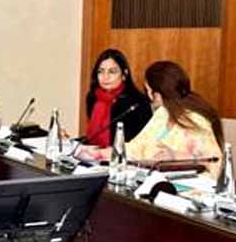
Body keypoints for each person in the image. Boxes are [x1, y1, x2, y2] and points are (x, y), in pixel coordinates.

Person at [80, 61, 224, 178]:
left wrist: (176, 157)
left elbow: (215, 164)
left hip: (190, 191)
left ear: (157, 94)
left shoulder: (196, 120)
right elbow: (137, 148)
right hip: (157, 183)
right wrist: (99, 153)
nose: (147, 95)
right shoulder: (162, 114)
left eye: (147, 90)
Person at [83, 48, 151, 147]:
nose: (105, 77)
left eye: (112, 72)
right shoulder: (93, 97)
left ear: (124, 74)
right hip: (94, 153)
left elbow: (141, 143)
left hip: (125, 154)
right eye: (101, 71)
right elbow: (92, 137)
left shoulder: (137, 102)